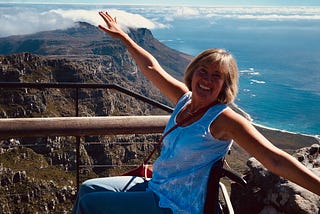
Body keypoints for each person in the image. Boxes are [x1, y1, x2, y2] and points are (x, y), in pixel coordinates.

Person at [72, 11, 320, 214]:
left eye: (217, 76)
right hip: (156, 187)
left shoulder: (224, 120)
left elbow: (274, 159)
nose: (207, 80)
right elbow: (150, 66)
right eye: (203, 71)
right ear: (192, 72)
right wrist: (124, 37)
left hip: (177, 205)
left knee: (89, 205)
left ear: (225, 84)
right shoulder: (184, 99)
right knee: (88, 188)